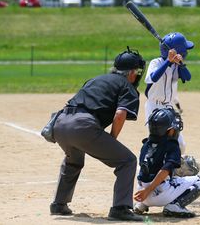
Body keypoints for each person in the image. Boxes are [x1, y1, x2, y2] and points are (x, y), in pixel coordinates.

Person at [49, 47, 145, 222]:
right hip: (82, 126)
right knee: (127, 160)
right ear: (132, 73)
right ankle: (120, 208)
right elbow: (120, 114)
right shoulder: (127, 86)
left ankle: (58, 204)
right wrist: (112, 138)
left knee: (74, 161)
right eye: (138, 72)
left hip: (60, 123)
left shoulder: (96, 79)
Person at [133, 108, 200, 218]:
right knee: (199, 181)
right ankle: (175, 206)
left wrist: (145, 191)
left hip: (141, 194)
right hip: (159, 194)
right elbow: (165, 170)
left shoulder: (146, 144)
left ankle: (141, 205)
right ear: (170, 130)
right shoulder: (172, 145)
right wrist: (148, 190)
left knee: (150, 171)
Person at [144, 32, 194, 154]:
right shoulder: (155, 62)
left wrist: (181, 64)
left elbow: (187, 77)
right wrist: (168, 61)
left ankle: (172, 169)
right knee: (156, 143)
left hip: (169, 107)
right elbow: (153, 78)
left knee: (180, 144)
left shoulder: (176, 66)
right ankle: (148, 167)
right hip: (154, 107)